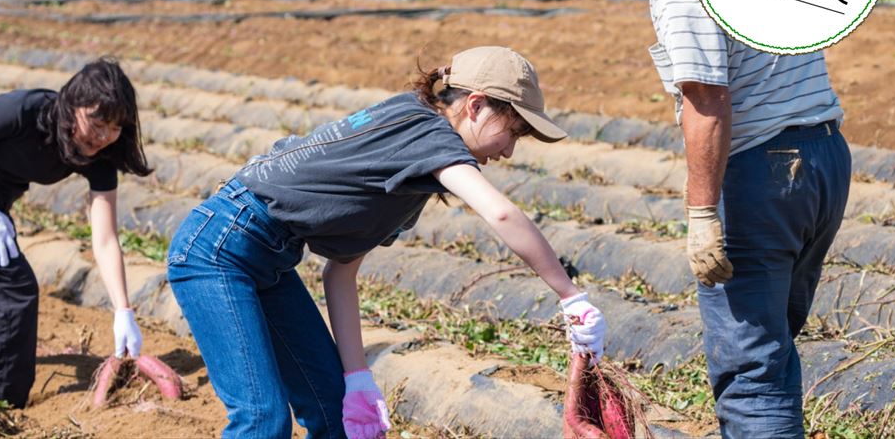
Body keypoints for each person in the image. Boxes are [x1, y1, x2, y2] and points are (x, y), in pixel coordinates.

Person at [167, 46, 607, 439]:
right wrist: (570, 296)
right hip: (219, 248)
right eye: (512, 131)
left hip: (267, 259)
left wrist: (357, 380)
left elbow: (341, 272)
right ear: (475, 106)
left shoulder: (408, 159)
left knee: (334, 412)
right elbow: (501, 213)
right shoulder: (428, 133)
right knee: (262, 420)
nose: (509, 151)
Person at [574, 0, 852, 439]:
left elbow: (706, 98)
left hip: (761, 173)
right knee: (773, 343)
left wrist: (702, 214)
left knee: (752, 373)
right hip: (824, 159)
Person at [0, 57, 153, 408]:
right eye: (97, 122)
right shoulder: (22, 110)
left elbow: (105, 239)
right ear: (72, 105)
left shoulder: (100, 156)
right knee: (12, 290)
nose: (104, 136)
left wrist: (123, 310)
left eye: (114, 127)